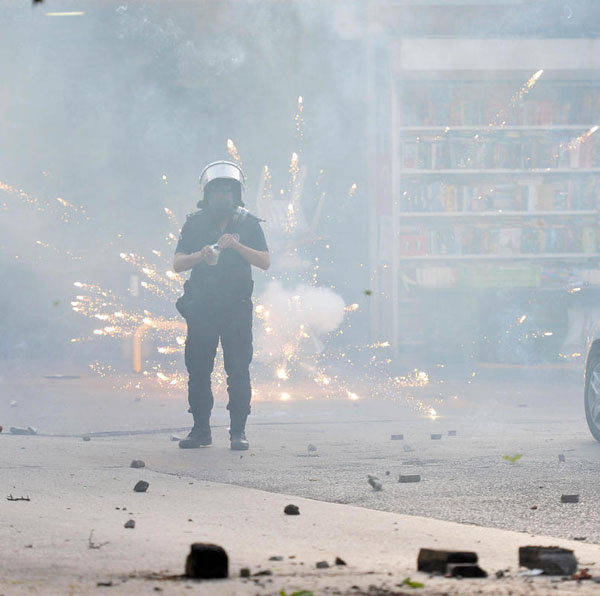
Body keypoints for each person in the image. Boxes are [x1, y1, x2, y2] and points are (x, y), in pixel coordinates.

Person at [173, 161, 270, 450]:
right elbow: (177, 264)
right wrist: (199, 256)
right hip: (202, 308)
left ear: (236, 193)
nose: (222, 196)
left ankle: (238, 432)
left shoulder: (248, 224)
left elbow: (265, 261)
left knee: (238, 371)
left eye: (228, 190)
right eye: (216, 191)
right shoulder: (194, 223)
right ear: (207, 193)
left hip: (236, 309)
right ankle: (200, 430)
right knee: (199, 371)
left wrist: (237, 246)